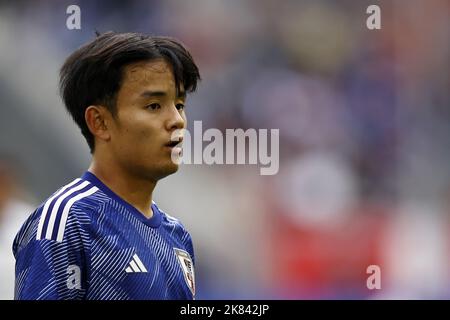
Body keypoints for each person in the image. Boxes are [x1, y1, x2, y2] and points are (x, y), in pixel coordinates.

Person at [13, 32, 200, 300]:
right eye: (154, 105)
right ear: (99, 122)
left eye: (179, 105)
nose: (177, 120)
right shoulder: (68, 222)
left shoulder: (178, 236)